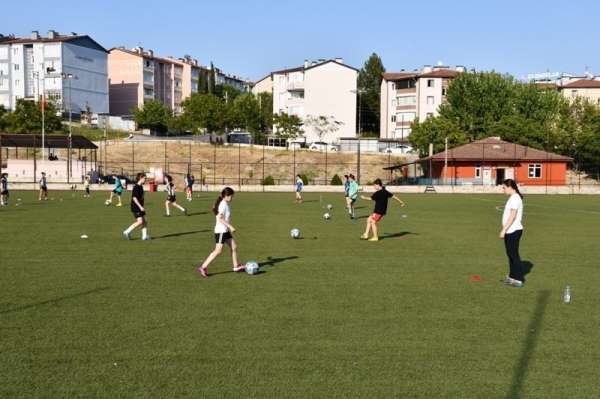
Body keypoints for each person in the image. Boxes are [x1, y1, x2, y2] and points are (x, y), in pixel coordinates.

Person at [197, 187, 246, 278]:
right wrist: (230, 226)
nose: (232, 198)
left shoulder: (225, 204)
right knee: (218, 250)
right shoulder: (223, 205)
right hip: (221, 231)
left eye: (232, 196)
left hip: (225, 230)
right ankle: (203, 267)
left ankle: (236, 266)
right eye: (230, 196)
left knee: (234, 246)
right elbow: (220, 218)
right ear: (225, 196)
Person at [499, 179, 525, 288]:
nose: (503, 190)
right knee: (510, 254)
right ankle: (511, 277)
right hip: (510, 230)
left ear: (510, 187)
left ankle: (518, 279)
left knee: (514, 255)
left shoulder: (515, 198)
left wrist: (504, 230)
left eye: (504, 187)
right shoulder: (513, 197)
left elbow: (512, 216)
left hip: (513, 230)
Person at [123, 173, 150, 241]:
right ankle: (127, 231)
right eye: (144, 178)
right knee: (140, 221)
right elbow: (134, 198)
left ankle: (144, 236)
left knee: (145, 221)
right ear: (140, 178)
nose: (145, 180)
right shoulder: (136, 187)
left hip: (140, 207)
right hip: (136, 207)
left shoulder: (141, 186)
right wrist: (140, 207)